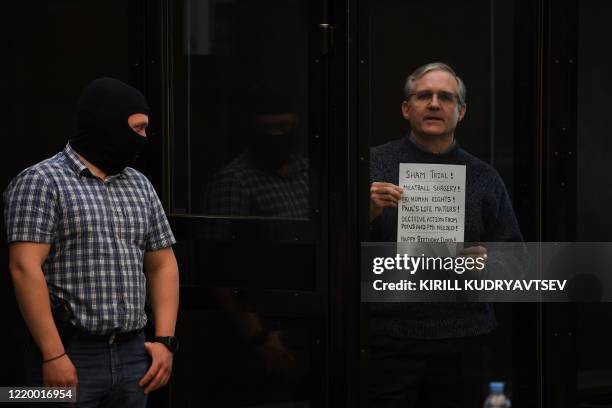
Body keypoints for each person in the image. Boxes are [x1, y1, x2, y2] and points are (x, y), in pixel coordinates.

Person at [3, 78, 179, 407]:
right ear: (107, 123)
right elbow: (24, 267)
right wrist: (53, 354)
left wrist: (165, 340)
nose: (143, 139)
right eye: (137, 128)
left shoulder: (139, 184)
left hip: (133, 354)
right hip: (69, 350)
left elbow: (162, 263)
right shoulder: (40, 181)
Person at [368, 62, 523, 407]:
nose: (435, 104)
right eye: (424, 96)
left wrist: (489, 263)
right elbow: (335, 254)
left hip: (465, 340)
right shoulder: (370, 167)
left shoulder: (485, 177)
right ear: (407, 108)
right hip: (388, 339)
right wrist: (366, 213)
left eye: (446, 97)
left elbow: (517, 260)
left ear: (461, 111)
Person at [202, 91, 308, 218]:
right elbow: (219, 236)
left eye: (282, 126)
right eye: (267, 127)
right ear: (254, 128)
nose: (275, 135)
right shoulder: (233, 182)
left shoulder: (304, 169)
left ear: (295, 124)